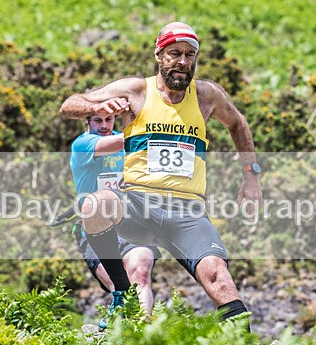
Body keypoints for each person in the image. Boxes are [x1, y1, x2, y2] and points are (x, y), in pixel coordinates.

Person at [60, 21, 263, 324]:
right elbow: (69, 104)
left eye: (189, 55)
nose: (182, 61)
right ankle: (121, 293)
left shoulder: (206, 96)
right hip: (139, 204)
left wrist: (250, 176)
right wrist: (102, 106)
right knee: (95, 204)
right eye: (174, 54)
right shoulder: (137, 90)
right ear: (159, 55)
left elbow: (237, 123)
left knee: (220, 279)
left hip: (186, 211)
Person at [70, 113, 160, 326]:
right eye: (97, 120)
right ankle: (122, 330)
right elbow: (122, 142)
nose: (103, 125)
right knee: (119, 283)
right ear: (87, 122)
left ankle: (141, 333)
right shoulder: (83, 145)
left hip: (129, 222)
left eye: (108, 120)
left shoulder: (126, 140)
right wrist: (157, 132)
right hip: (95, 227)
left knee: (140, 274)